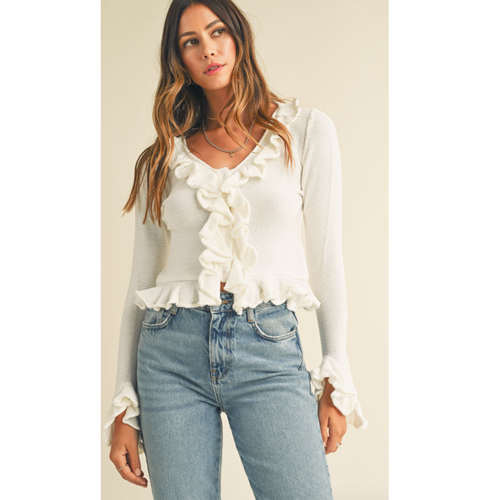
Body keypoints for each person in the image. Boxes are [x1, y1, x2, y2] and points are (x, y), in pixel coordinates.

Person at [102, 0, 368, 498]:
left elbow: (326, 260)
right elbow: (140, 283)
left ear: (239, 36)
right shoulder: (160, 159)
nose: (208, 49)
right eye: (191, 42)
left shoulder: (305, 131)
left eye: (217, 31)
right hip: (168, 356)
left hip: (266, 345)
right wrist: (124, 407)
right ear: (179, 60)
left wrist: (336, 373)